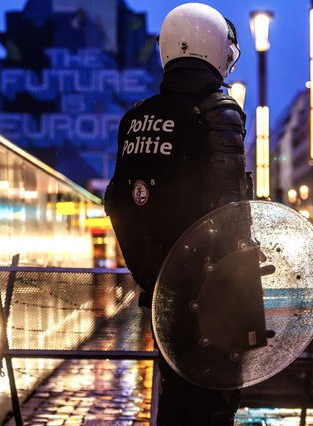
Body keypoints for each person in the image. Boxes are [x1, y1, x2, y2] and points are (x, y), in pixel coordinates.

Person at [104, 3, 251, 424]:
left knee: (175, 394)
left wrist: (149, 274)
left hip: (159, 291)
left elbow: (120, 202)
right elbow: (228, 211)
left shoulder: (135, 118)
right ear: (217, 50)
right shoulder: (219, 112)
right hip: (212, 294)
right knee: (213, 403)